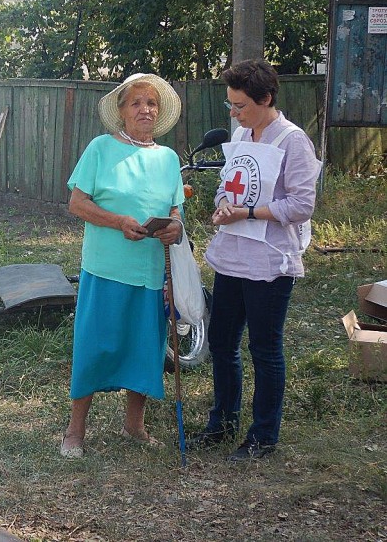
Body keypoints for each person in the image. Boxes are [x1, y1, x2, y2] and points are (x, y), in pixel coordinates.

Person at [188, 59, 321, 461]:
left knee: (264, 348)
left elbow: (302, 204)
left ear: (265, 99)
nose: (233, 113)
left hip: (269, 260)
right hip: (233, 255)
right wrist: (223, 205)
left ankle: (263, 435)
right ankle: (222, 423)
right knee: (222, 341)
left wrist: (249, 213)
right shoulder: (243, 133)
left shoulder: (292, 141)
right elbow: (228, 185)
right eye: (230, 105)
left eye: (240, 105)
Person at [60, 73, 185, 458]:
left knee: (144, 347)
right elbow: (77, 204)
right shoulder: (100, 148)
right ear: (122, 111)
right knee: (94, 346)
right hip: (106, 268)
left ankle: (134, 424)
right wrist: (118, 222)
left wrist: (175, 227)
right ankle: (75, 431)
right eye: (136, 102)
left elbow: (176, 211)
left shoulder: (168, 159)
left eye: (151, 103)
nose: (144, 109)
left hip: (149, 272)